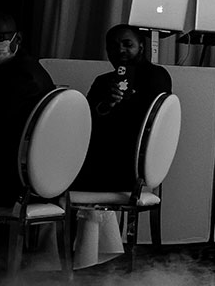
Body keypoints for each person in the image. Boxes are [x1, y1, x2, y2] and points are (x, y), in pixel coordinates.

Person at [73, 24, 172, 192]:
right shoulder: (103, 82)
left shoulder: (156, 76)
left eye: (128, 44)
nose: (120, 50)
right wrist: (105, 105)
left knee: (63, 175)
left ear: (141, 46)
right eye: (113, 46)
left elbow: (148, 124)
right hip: (101, 158)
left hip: (130, 164)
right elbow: (85, 122)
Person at [0, 9, 55, 208]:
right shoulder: (14, 70)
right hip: (21, 174)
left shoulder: (22, 78)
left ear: (17, 38)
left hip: (8, 178)